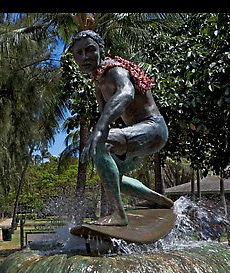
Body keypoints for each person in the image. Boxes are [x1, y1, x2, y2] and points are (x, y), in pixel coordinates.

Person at [71, 30, 174, 226]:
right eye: (79, 53)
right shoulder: (99, 83)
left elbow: (126, 94)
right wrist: (97, 133)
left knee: (102, 144)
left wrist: (100, 131)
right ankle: (157, 200)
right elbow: (105, 115)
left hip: (153, 129)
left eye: (90, 50)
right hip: (138, 134)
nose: (85, 57)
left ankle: (119, 215)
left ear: (101, 50)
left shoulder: (115, 70)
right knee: (111, 175)